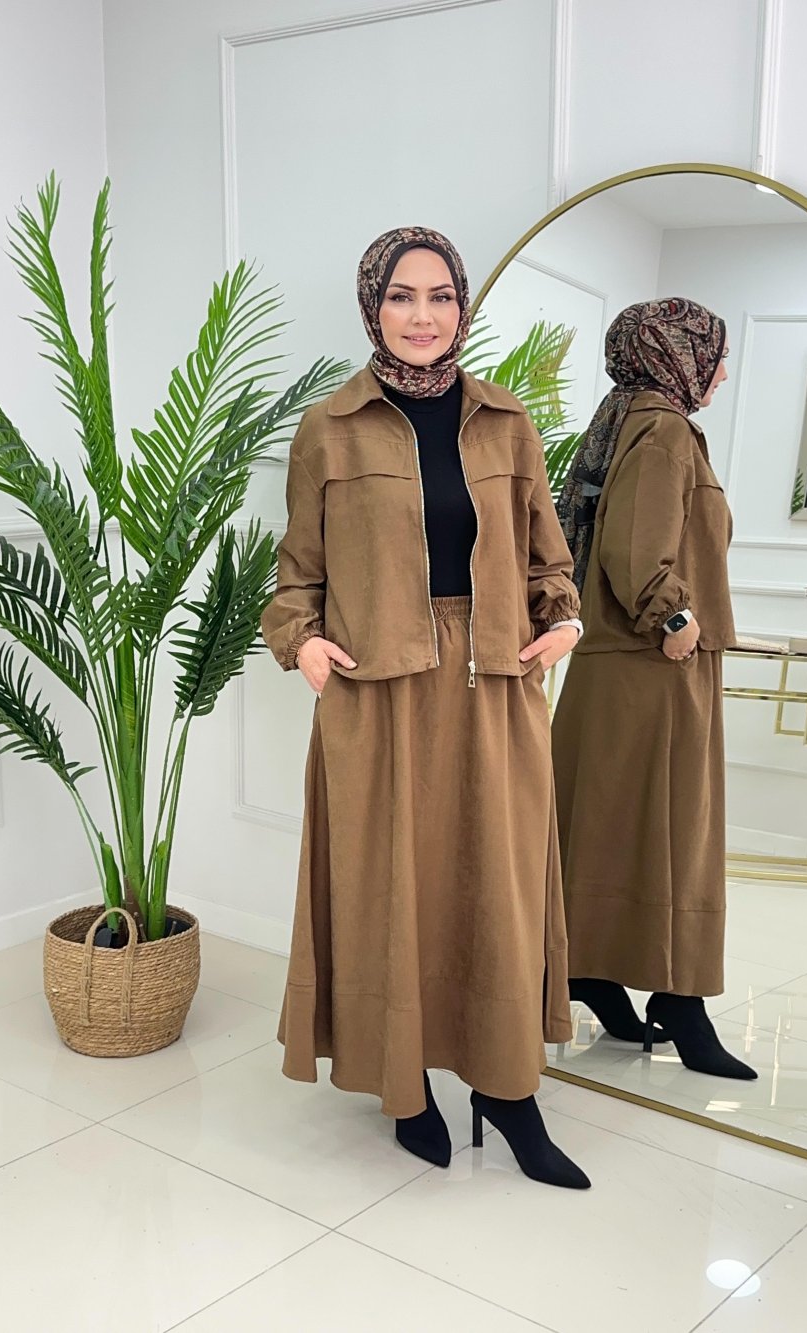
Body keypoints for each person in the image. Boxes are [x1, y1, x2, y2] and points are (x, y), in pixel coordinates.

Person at [261, 226, 591, 1187]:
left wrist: (564, 622)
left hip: (495, 683)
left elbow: (549, 559)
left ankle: (508, 1090)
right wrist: (303, 645)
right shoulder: (330, 427)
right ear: (374, 307)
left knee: (499, 886)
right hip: (378, 692)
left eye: (440, 296)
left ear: (462, 306)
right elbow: (296, 577)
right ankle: (404, 1086)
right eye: (401, 296)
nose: (422, 315)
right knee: (390, 890)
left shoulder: (507, 422)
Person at [552, 297, 756, 1081]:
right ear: (676, 354)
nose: (722, 372)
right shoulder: (664, 429)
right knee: (676, 835)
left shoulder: (632, 420)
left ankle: (592, 970)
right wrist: (674, 617)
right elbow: (637, 549)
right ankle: (680, 998)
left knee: (611, 828)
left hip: (626, 668)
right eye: (715, 354)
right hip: (653, 666)